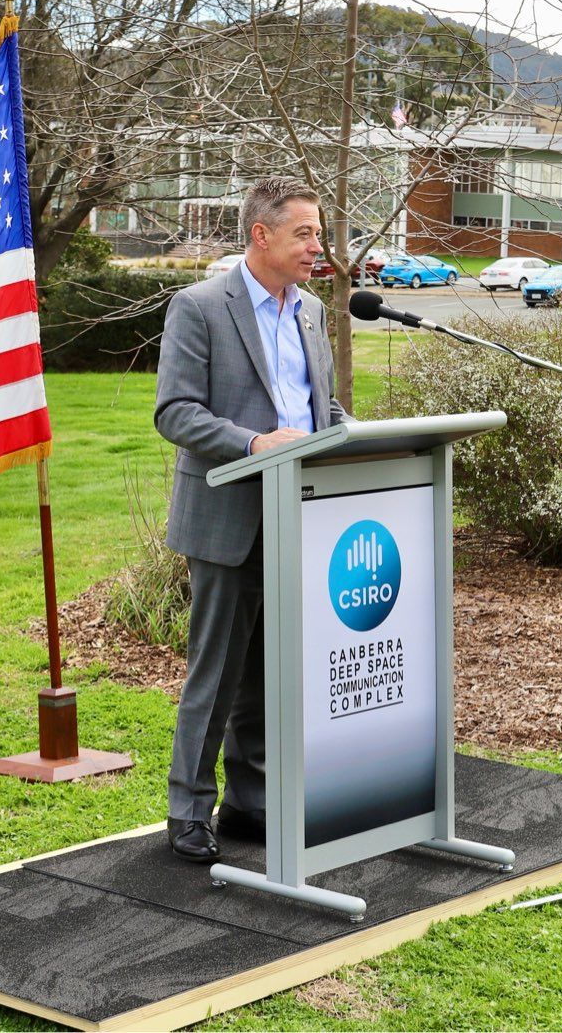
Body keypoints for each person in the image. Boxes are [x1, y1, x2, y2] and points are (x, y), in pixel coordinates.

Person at [153, 176, 349, 862]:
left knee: (271, 672)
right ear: (260, 235)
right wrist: (252, 442)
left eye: (318, 233)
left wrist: (357, 436)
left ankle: (250, 804)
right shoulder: (200, 306)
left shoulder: (313, 313)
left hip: (298, 515)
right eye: (304, 233)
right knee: (218, 672)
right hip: (229, 517)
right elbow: (175, 412)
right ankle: (187, 810)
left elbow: (319, 412)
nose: (317, 246)